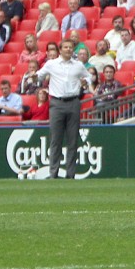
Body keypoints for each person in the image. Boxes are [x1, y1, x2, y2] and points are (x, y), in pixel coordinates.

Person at [37, 38, 95, 179]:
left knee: (72, 140)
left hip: (73, 102)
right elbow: (39, 75)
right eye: (66, 47)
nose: (69, 49)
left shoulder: (78, 65)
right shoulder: (51, 64)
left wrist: (85, 82)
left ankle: (71, 174)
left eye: (70, 47)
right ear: (60, 49)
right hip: (57, 103)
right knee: (55, 140)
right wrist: (44, 83)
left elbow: (90, 77)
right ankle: (53, 173)